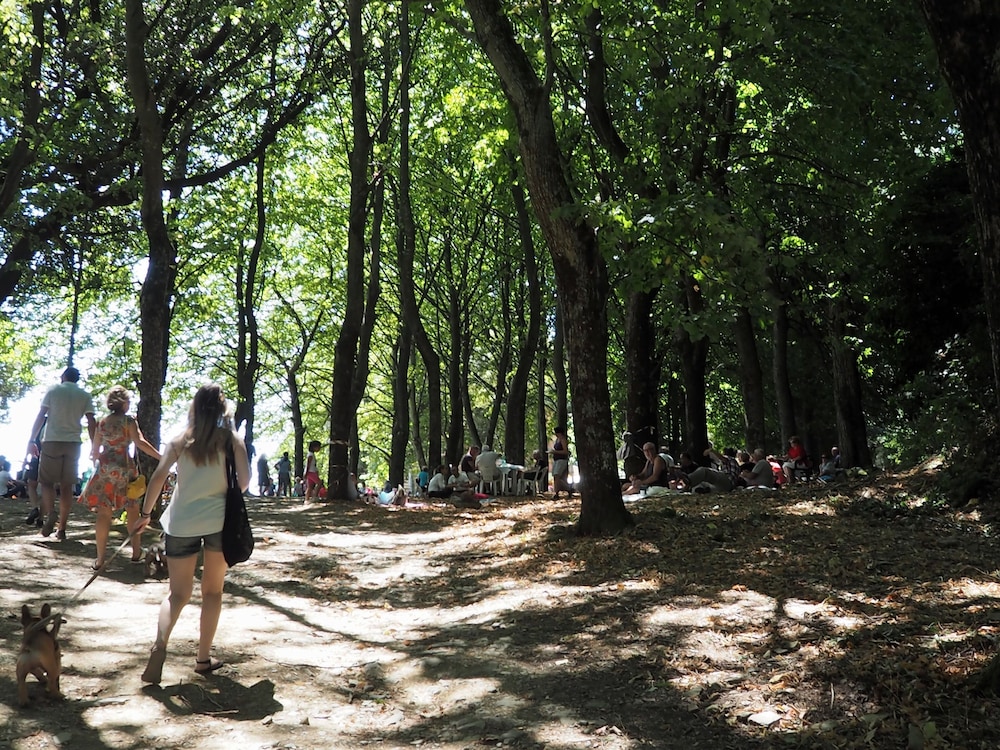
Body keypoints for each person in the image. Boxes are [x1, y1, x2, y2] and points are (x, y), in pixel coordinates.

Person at [133, 383, 250, 685]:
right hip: (219, 523)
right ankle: (202, 659)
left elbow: (158, 478)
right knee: (212, 592)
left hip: (181, 523)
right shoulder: (232, 440)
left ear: (194, 408)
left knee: (177, 594)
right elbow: (245, 482)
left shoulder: (179, 441)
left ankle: (159, 646)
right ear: (222, 408)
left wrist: (145, 515)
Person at [78, 386, 162, 569]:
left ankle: (100, 559)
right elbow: (140, 443)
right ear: (124, 404)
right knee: (132, 509)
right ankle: (136, 552)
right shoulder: (128, 421)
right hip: (125, 468)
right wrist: (161, 457)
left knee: (104, 513)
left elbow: (95, 451)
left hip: (104, 469)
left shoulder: (102, 423)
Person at [26, 367, 97, 541]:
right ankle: (62, 529)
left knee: (46, 482)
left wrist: (32, 440)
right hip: (73, 444)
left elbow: (41, 415)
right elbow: (91, 420)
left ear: (63, 376)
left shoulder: (53, 391)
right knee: (67, 486)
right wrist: (94, 445)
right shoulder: (84, 395)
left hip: (52, 441)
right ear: (77, 379)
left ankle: (51, 513)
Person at [550, 426, 573, 496]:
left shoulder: (563, 440)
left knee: (557, 475)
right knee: (555, 476)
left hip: (561, 460)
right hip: (556, 460)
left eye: (556, 433)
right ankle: (567, 488)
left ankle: (557, 493)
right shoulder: (557, 440)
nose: (555, 434)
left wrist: (555, 452)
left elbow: (565, 451)